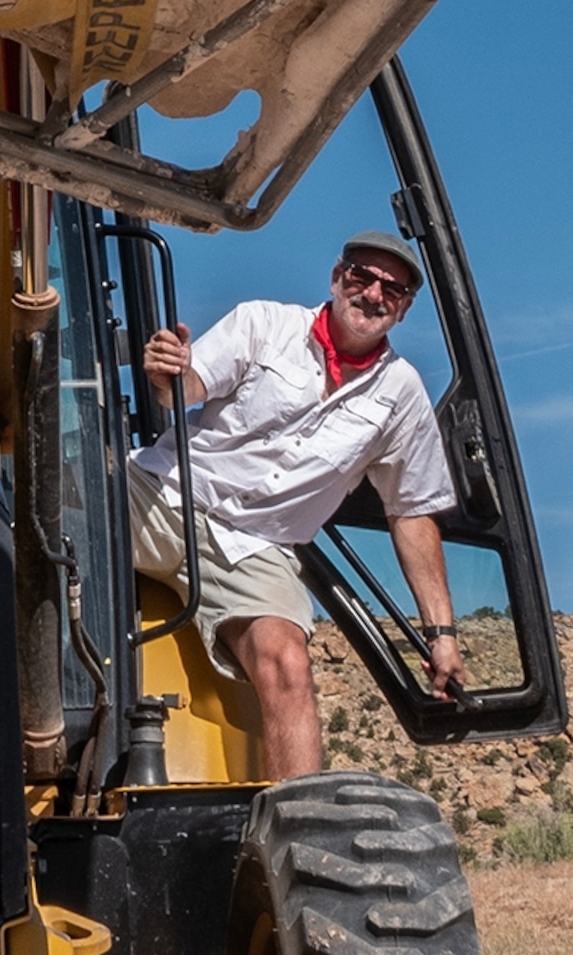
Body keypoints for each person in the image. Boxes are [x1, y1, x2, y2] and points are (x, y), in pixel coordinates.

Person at [133, 234, 465, 779]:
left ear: (403, 309)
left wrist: (443, 636)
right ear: (337, 278)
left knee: (287, 663)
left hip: (254, 548)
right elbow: (184, 387)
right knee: (48, 530)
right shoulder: (264, 324)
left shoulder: (401, 394)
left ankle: (296, 837)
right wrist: (167, 371)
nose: (373, 293)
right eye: (362, 277)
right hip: (163, 494)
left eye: (392, 288)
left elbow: (411, 510)